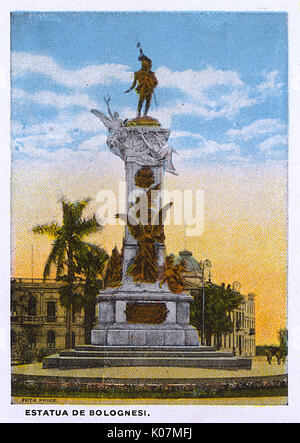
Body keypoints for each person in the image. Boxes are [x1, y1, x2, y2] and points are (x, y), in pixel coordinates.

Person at [125, 43, 158, 117]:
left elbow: (156, 82)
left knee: (148, 102)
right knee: (140, 102)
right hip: (142, 89)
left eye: (147, 65)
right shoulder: (138, 73)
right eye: (145, 65)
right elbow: (134, 83)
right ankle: (139, 114)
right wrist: (130, 89)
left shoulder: (151, 74)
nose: (147, 66)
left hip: (149, 89)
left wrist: (152, 86)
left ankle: (145, 115)